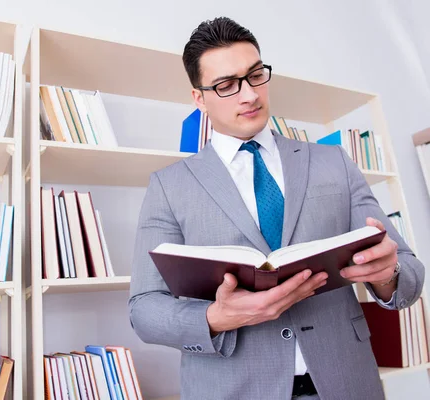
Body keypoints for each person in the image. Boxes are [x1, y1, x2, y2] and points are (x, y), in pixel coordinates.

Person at [128, 16, 426, 400]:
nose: (249, 95)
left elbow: (409, 272)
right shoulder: (169, 186)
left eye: (255, 76)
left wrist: (388, 274)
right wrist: (214, 319)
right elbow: (144, 310)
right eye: (226, 85)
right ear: (199, 98)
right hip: (232, 389)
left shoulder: (333, 161)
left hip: (346, 384)